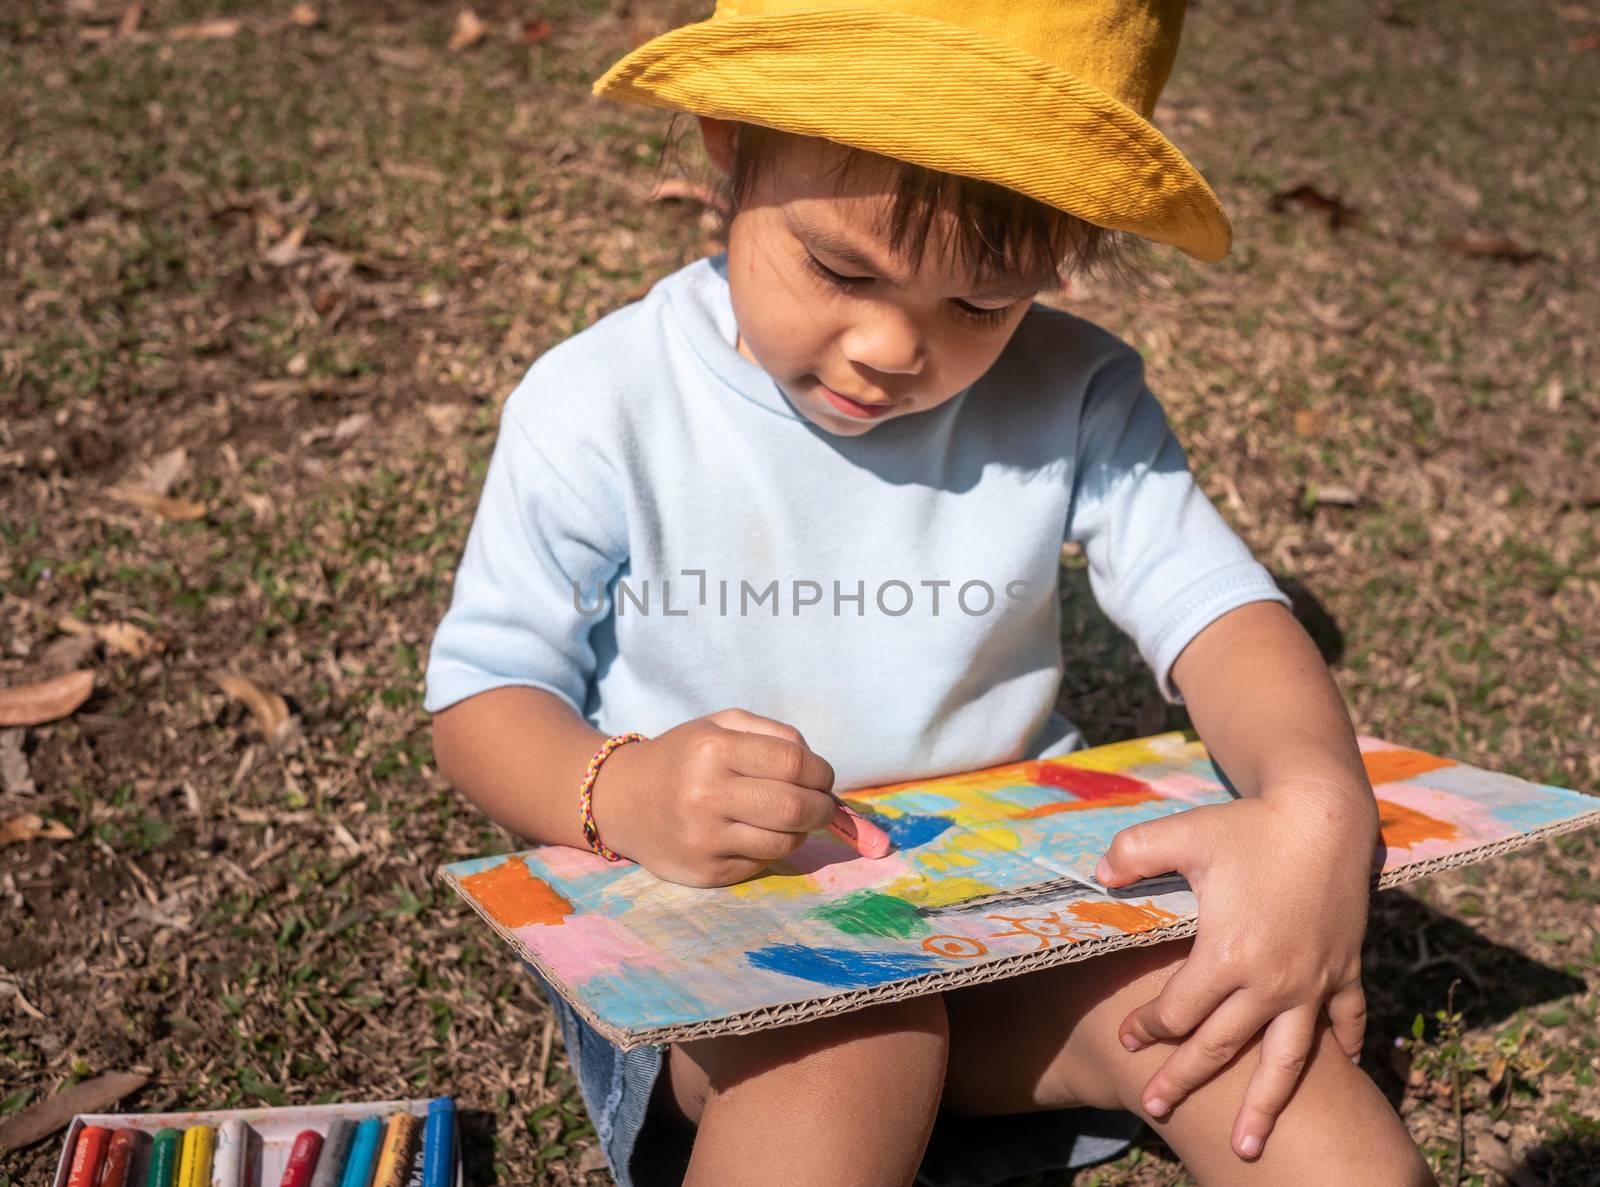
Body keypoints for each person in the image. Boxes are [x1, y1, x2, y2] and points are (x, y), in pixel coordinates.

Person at [423, 2, 1438, 1184]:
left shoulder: (1077, 390)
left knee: (1242, 1039)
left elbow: (1219, 611)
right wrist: (622, 786)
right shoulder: (601, 403)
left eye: (982, 300)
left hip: (1019, 926)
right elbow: (485, 695)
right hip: (742, 951)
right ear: (724, 138)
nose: (893, 349)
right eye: (839, 267)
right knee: (862, 1041)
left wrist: (1315, 804)